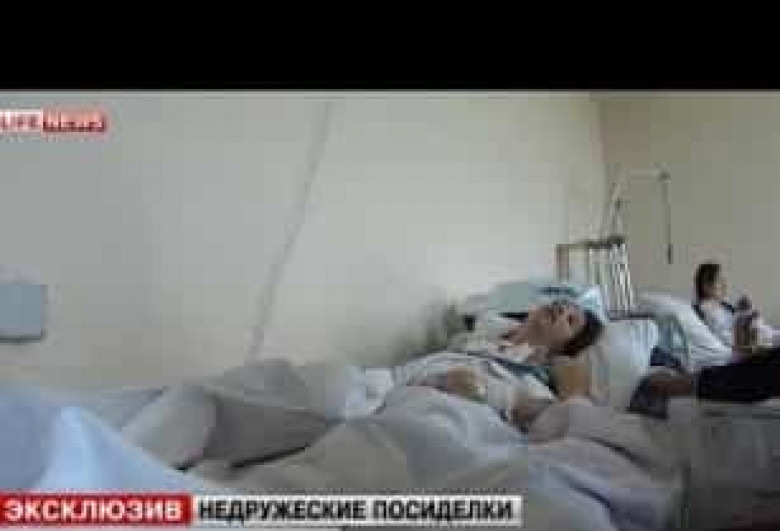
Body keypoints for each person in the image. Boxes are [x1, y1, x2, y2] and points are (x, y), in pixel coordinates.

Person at [414, 299, 605, 428]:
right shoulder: (469, 341)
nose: (562, 309)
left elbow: (560, 420)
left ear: (566, 347)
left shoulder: (536, 382)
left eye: (570, 320)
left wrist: (488, 392)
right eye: (560, 303)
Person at [694, 261, 777, 353]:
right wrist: (745, 323)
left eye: (724, 280)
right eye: (719, 281)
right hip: (744, 352)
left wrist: (747, 312)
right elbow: (728, 341)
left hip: (762, 341)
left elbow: (760, 330)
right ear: (706, 286)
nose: (725, 285)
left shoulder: (725, 307)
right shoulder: (704, 312)